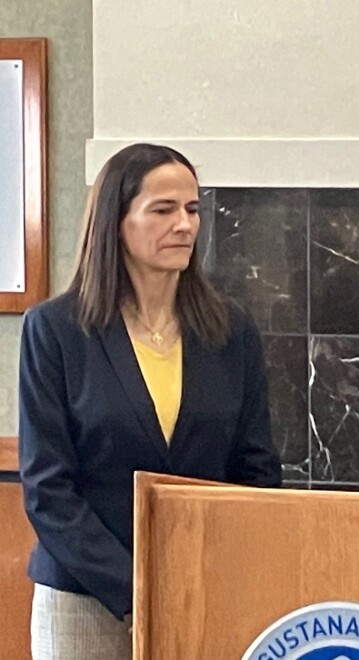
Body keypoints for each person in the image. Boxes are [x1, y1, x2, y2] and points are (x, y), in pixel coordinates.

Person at [18, 143, 282, 659]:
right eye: (163, 210)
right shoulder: (55, 330)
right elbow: (48, 489)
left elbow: (257, 472)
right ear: (116, 222)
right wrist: (138, 587)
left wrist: (220, 574)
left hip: (204, 591)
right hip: (85, 598)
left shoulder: (232, 332)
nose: (184, 225)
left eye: (192, 209)